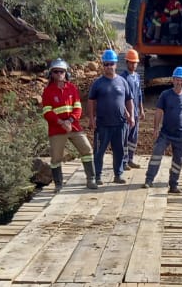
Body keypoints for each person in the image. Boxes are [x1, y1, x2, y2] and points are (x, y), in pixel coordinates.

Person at [40, 58, 97, 190]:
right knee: (56, 158)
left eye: (62, 71)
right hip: (56, 129)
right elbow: (47, 112)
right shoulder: (48, 91)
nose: (59, 74)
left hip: (74, 127)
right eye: (56, 71)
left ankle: (91, 179)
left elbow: (78, 108)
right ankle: (58, 184)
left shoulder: (72, 88)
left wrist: (70, 121)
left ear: (66, 73)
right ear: (51, 74)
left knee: (87, 149)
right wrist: (61, 122)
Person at [143, 66, 182, 194]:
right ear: (173, 80)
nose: (179, 83)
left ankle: (173, 185)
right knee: (156, 154)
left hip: (181, 135)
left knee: (178, 161)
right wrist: (155, 128)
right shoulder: (165, 95)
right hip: (165, 133)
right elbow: (159, 112)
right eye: (177, 80)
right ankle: (149, 180)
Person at [87, 48, 133, 185]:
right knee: (99, 152)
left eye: (111, 64)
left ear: (116, 64)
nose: (108, 67)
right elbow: (91, 101)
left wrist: (131, 116)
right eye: (106, 64)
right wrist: (91, 118)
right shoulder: (98, 83)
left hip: (120, 124)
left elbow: (129, 99)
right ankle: (98, 176)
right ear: (103, 66)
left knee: (119, 151)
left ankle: (118, 175)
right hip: (102, 124)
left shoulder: (123, 82)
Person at [120, 49, 144, 171]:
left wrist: (141, 110)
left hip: (135, 113)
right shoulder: (122, 77)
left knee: (134, 137)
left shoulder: (137, 77)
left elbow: (139, 94)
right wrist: (127, 112)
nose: (133, 65)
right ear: (127, 62)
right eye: (131, 62)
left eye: (135, 63)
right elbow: (121, 97)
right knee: (125, 137)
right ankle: (123, 161)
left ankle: (130, 158)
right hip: (127, 113)